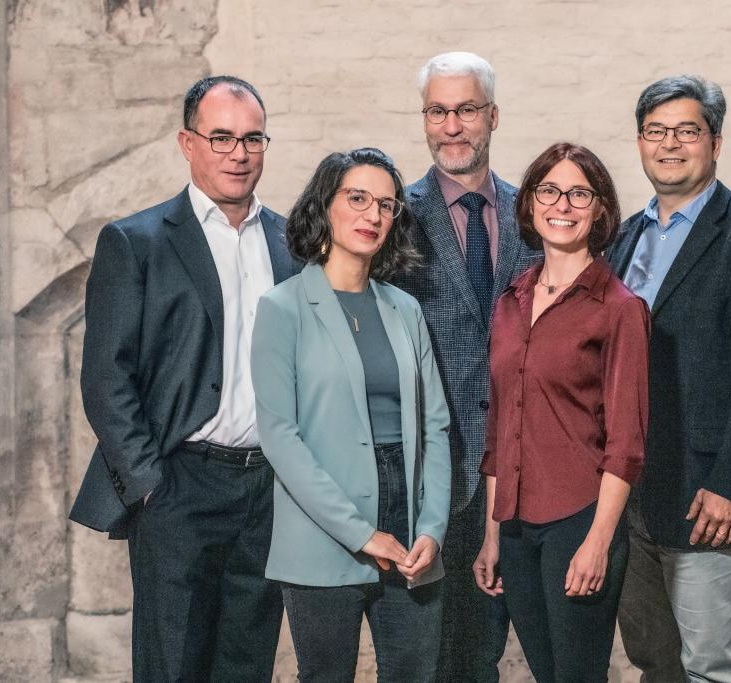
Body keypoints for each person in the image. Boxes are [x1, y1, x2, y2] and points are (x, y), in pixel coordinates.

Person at [69, 76, 297, 681]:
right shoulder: (136, 241)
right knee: (172, 667)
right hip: (178, 487)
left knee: (247, 666)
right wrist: (150, 486)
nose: (238, 153)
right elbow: (105, 378)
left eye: (252, 138)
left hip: (266, 493)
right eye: (220, 137)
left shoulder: (291, 242)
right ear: (187, 143)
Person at [607, 75, 731, 683]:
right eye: (656, 132)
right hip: (629, 497)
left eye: (687, 131)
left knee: (714, 666)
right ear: (639, 142)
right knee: (655, 663)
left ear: (714, 142)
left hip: (707, 494)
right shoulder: (622, 237)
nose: (670, 144)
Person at [251, 147, 452, 682]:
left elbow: (434, 426)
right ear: (326, 204)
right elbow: (280, 437)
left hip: (409, 522)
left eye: (386, 206)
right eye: (358, 198)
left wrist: (433, 526)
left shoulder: (404, 309)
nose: (373, 216)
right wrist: (362, 534)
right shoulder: (282, 308)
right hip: (321, 526)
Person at [475, 142, 650, 682]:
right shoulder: (510, 301)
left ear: (600, 209)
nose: (563, 204)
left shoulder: (619, 308)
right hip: (517, 526)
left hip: (579, 519)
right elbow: (500, 427)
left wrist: (598, 543)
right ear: (529, 204)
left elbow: (627, 444)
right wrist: (492, 532)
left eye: (579, 193)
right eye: (550, 190)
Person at [392, 51, 540, 682]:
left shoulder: (537, 213)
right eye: (438, 111)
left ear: (493, 117)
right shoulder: (391, 215)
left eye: (466, 110)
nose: (451, 126)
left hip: (516, 476)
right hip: (421, 477)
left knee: (482, 659)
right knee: (421, 659)